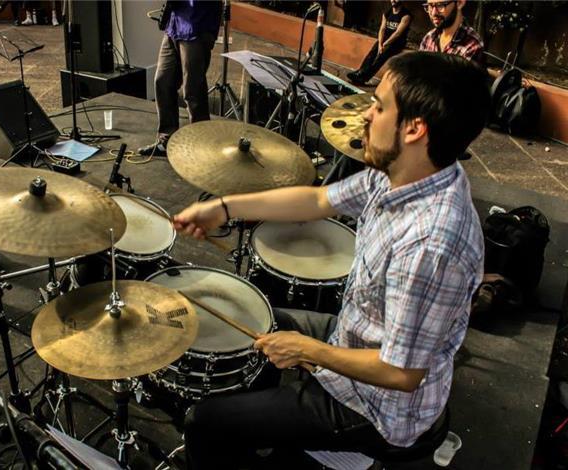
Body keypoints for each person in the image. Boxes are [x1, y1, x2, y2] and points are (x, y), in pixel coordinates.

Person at [173, 51, 491, 469]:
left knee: (205, 421)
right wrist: (225, 207)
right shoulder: (410, 171)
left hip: (378, 409)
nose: (365, 115)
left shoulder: (431, 245)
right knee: (250, 321)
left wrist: (310, 350)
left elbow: (401, 373)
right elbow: (319, 199)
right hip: (355, 337)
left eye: (379, 106)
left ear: (414, 128)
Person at [138, 0, 222, 157]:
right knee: (162, 81)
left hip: (197, 26)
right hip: (175, 25)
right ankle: (166, 141)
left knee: (193, 91)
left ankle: (202, 147)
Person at [347, 0, 412, 86]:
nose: (393, 0)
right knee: (373, 52)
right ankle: (361, 71)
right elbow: (382, 29)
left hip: (396, 42)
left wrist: (384, 45)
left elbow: (398, 33)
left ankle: (363, 78)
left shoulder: (406, 15)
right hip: (384, 40)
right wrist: (380, 43)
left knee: (381, 56)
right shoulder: (387, 13)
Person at [419, 0, 484, 64]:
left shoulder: (471, 45)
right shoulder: (429, 37)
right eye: (430, 6)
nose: (433, 13)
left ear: (460, 3)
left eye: (440, 5)